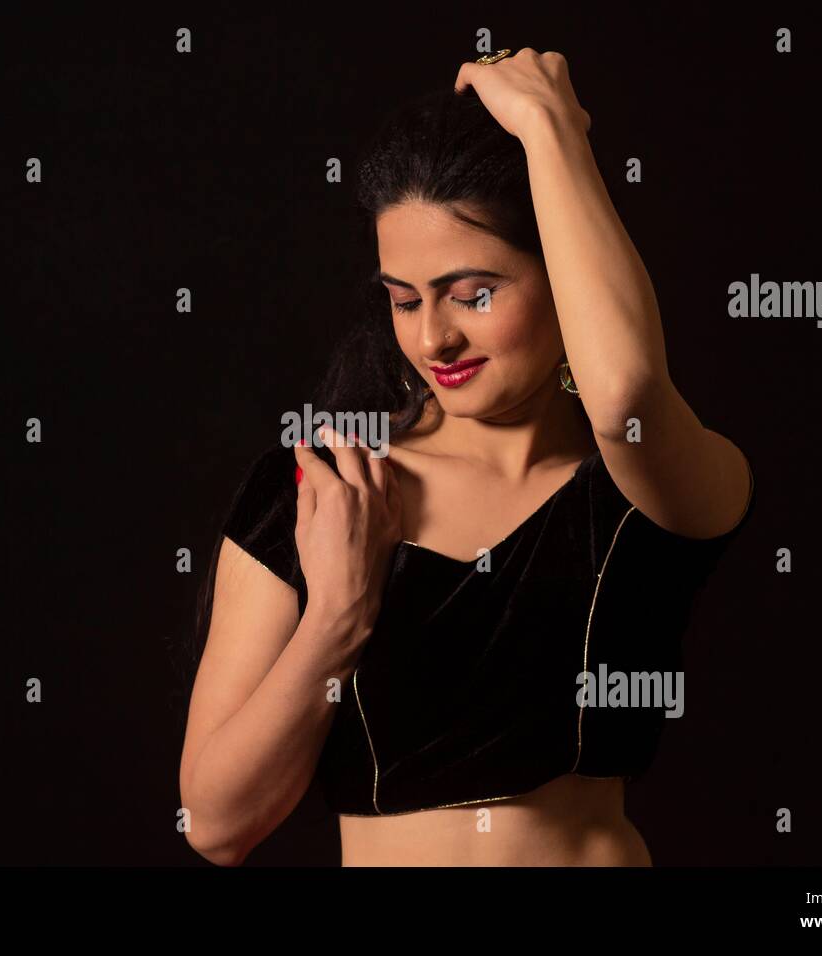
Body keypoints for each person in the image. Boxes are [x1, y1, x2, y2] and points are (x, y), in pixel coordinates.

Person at [179, 49, 755, 866]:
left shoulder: (652, 488)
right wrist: (338, 615)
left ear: (564, 272)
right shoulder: (323, 488)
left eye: (473, 294)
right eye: (404, 300)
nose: (431, 338)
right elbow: (214, 823)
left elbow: (624, 392)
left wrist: (553, 129)